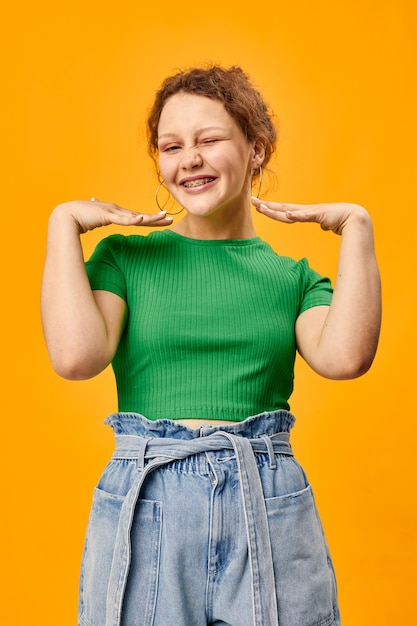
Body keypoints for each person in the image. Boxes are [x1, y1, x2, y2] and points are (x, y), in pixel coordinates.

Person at [41, 65, 381, 626]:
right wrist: (62, 226)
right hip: (148, 497)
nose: (188, 159)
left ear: (256, 150)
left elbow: (345, 360)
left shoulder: (292, 279)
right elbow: (77, 358)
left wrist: (357, 228)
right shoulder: (126, 259)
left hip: (265, 498)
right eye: (171, 146)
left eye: (209, 140)